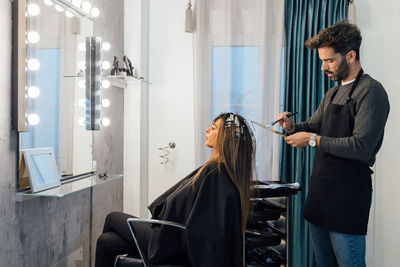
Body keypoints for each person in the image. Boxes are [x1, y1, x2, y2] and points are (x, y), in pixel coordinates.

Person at [277, 21, 390, 267]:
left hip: (347, 199)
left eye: (329, 60)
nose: (322, 67)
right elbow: (314, 125)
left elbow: (362, 146)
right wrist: (293, 127)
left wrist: (312, 140)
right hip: (320, 195)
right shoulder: (332, 93)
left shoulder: (371, 92)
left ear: (351, 55)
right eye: (322, 60)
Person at [95, 112, 256, 267]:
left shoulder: (215, 172)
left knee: (112, 217)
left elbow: (203, 227)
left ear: (225, 138)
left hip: (170, 240)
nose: (207, 130)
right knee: (106, 242)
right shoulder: (224, 172)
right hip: (175, 238)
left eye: (213, 128)